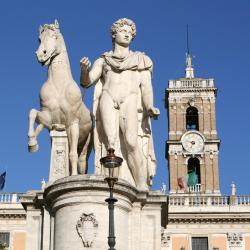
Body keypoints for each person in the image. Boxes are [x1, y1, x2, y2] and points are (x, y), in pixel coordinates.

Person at [80, 18, 159, 189]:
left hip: (129, 100)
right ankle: (111, 188)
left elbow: (146, 88)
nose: (127, 34)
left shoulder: (142, 60)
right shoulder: (104, 60)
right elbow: (87, 82)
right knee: (110, 144)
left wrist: (149, 106)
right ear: (114, 34)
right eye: (123, 31)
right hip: (108, 98)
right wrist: (84, 70)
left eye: (130, 33)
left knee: (131, 142)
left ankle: (141, 187)